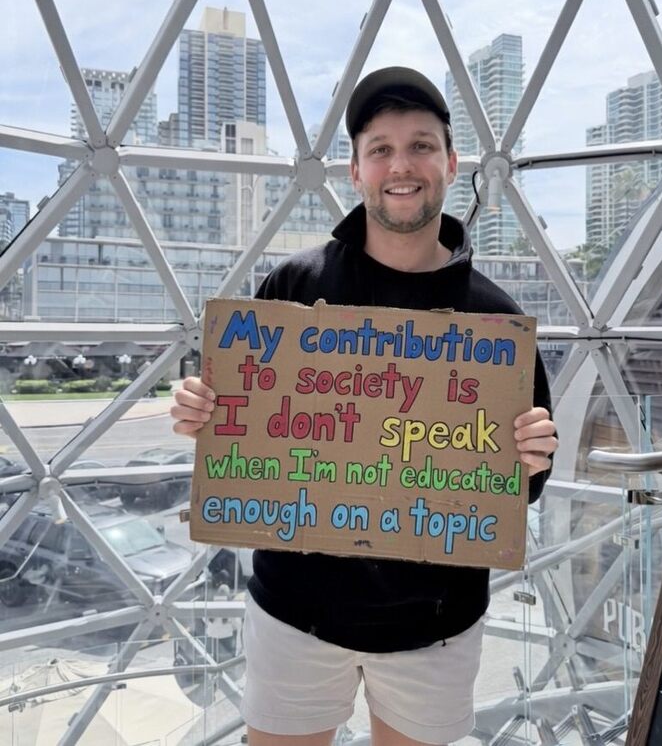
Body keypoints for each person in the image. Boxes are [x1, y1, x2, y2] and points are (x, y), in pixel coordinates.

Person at [171, 66, 558, 746]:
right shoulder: (293, 284)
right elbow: (238, 417)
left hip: (434, 632)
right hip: (293, 616)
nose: (400, 165)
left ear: (451, 163)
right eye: (380, 149)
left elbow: (518, 486)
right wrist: (199, 410)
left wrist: (532, 456)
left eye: (420, 146)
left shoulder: (495, 324)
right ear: (355, 171)